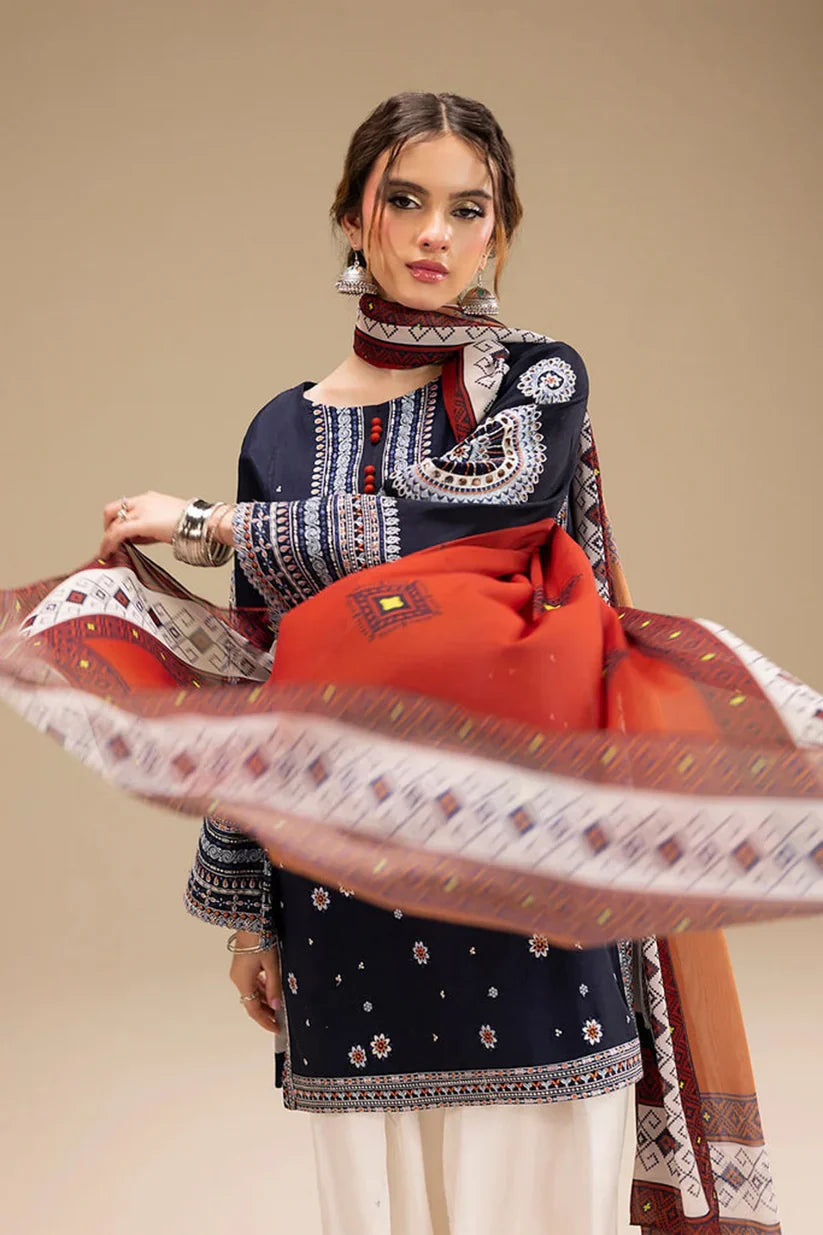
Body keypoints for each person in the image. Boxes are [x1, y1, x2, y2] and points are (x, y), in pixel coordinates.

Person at [5, 91, 813, 1234]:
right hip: (348, 895)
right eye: (406, 201)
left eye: (466, 209)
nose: (435, 233)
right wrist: (249, 913)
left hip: (534, 870)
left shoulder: (533, 383)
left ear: (500, 234)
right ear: (353, 218)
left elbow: (465, 521)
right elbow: (259, 680)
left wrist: (210, 522)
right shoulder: (279, 434)